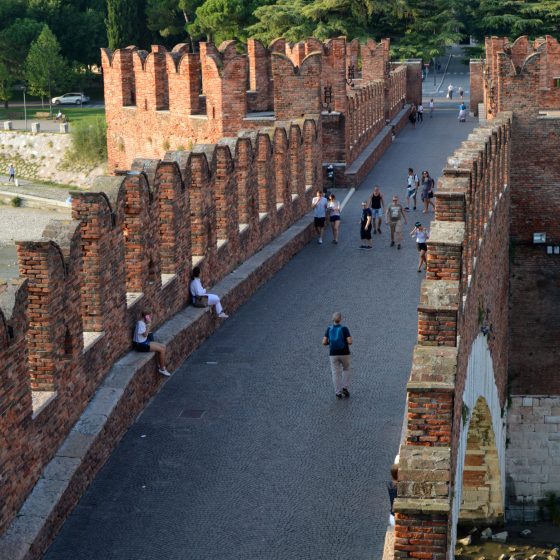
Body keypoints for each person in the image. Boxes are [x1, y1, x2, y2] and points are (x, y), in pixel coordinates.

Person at [322, 311, 352, 399]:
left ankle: (337, 393)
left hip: (333, 354)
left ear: (332, 319)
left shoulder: (329, 329)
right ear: (341, 319)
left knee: (335, 373)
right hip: (344, 353)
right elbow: (350, 341)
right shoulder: (344, 329)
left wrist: (330, 342)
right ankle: (345, 388)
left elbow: (324, 342)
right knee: (346, 369)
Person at [132, 310, 171, 376]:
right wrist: (149, 325)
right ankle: (162, 369)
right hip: (140, 345)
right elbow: (145, 335)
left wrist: (147, 324)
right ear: (146, 316)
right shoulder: (140, 324)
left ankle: (161, 365)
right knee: (162, 349)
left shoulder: (143, 322)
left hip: (144, 342)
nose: (151, 317)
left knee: (163, 346)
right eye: (150, 315)